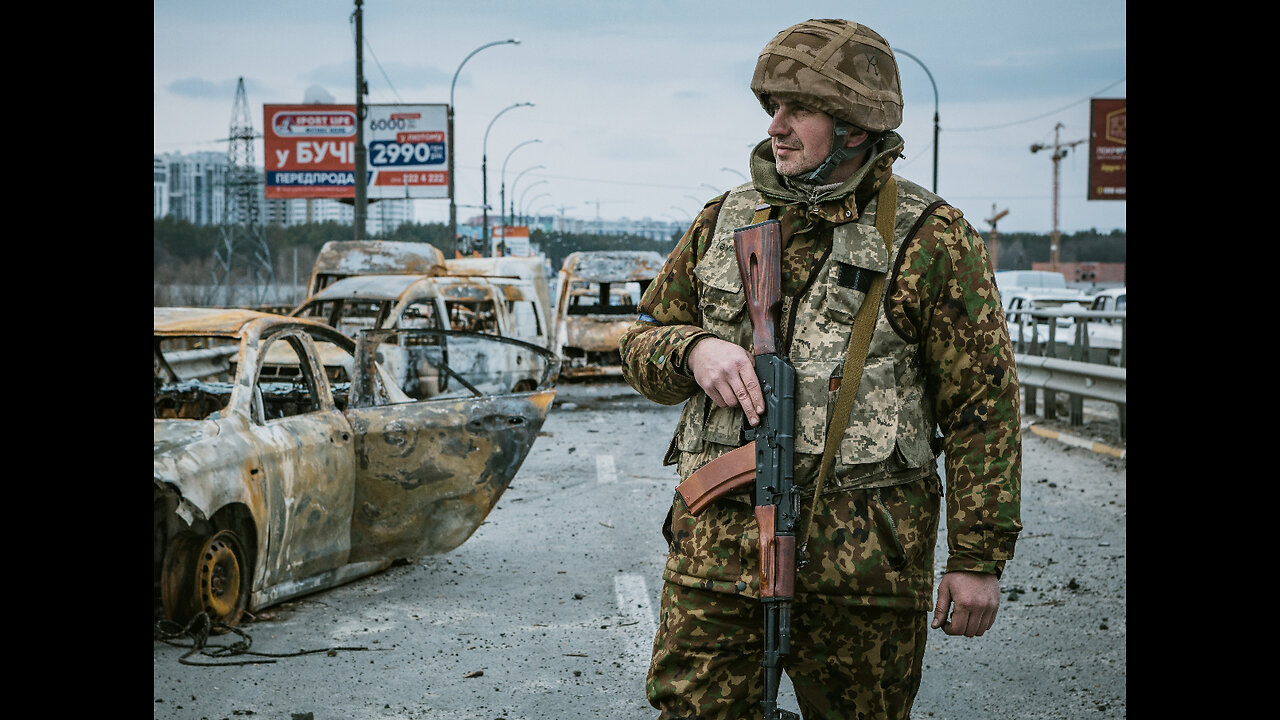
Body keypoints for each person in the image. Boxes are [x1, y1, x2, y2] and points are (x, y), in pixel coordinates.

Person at [618, 18, 1022, 720]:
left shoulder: (930, 237)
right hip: (716, 563)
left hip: (863, 577)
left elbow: (982, 407)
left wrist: (977, 557)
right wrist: (691, 349)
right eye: (772, 106)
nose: (776, 125)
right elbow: (640, 342)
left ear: (857, 126)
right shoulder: (724, 221)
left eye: (798, 108)